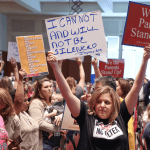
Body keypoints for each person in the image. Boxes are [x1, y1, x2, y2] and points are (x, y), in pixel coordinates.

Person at [47, 45, 150, 150]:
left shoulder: (121, 114)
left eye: (107, 102)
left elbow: (136, 88)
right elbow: (68, 94)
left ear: (114, 104)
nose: (102, 105)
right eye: (99, 101)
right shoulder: (86, 115)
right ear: (94, 104)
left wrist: (145, 60)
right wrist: (55, 67)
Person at [28, 77, 63, 150]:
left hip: (58, 140)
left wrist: (61, 115)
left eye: (50, 86)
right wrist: (57, 129)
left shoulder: (55, 101)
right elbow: (38, 122)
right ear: (39, 90)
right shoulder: (36, 102)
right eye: (46, 87)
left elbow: (64, 111)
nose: (49, 88)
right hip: (44, 142)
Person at [13, 68, 39, 150]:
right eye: (25, 101)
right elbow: (18, 101)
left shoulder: (25, 113)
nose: (28, 103)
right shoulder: (15, 115)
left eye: (28, 100)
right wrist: (20, 78)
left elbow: (24, 136)